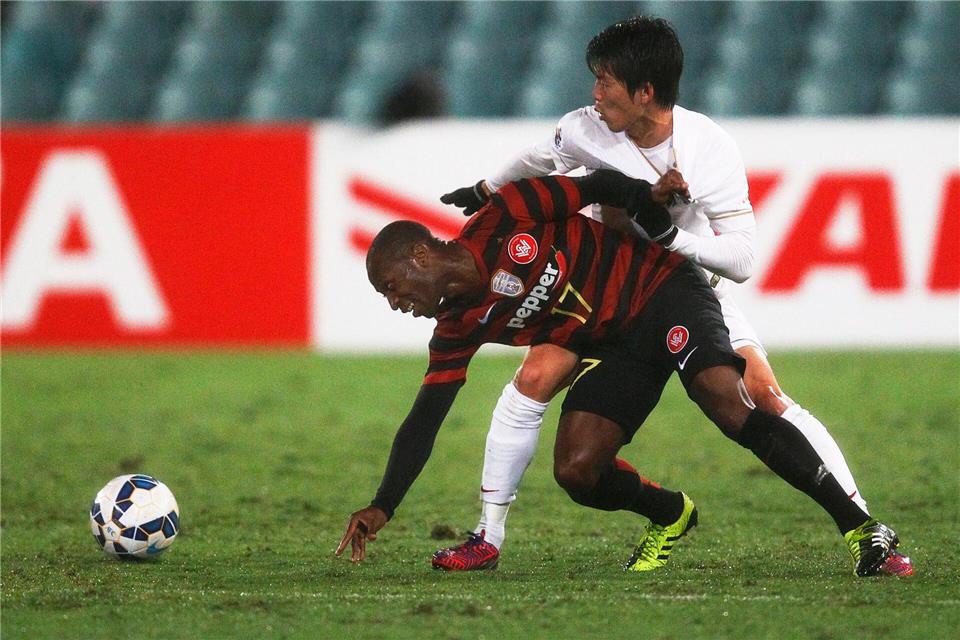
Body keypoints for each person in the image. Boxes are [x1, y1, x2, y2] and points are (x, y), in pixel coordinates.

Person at [435, 16, 913, 576]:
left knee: (759, 394)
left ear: (646, 92)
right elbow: (539, 158)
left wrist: (672, 238)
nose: (594, 93)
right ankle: (488, 536)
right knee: (539, 388)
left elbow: (741, 259)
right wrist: (488, 189)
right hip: (597, 293)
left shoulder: (708, 149)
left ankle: (861, 524)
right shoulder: (586, 128)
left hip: (680, 286)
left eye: (605, 81)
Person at [335, 169, 904, 578]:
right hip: (624, 344)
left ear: (417, 256)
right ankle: (670, 514)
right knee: (578, 471)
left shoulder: (509, 214)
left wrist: (649, 204)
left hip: (663, 290)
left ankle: (861, 528)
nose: (394, 303)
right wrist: (382, 505)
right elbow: (424, 420)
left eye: (390, 288)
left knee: (729, 402)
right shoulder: (456, 327)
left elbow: (597, 186)